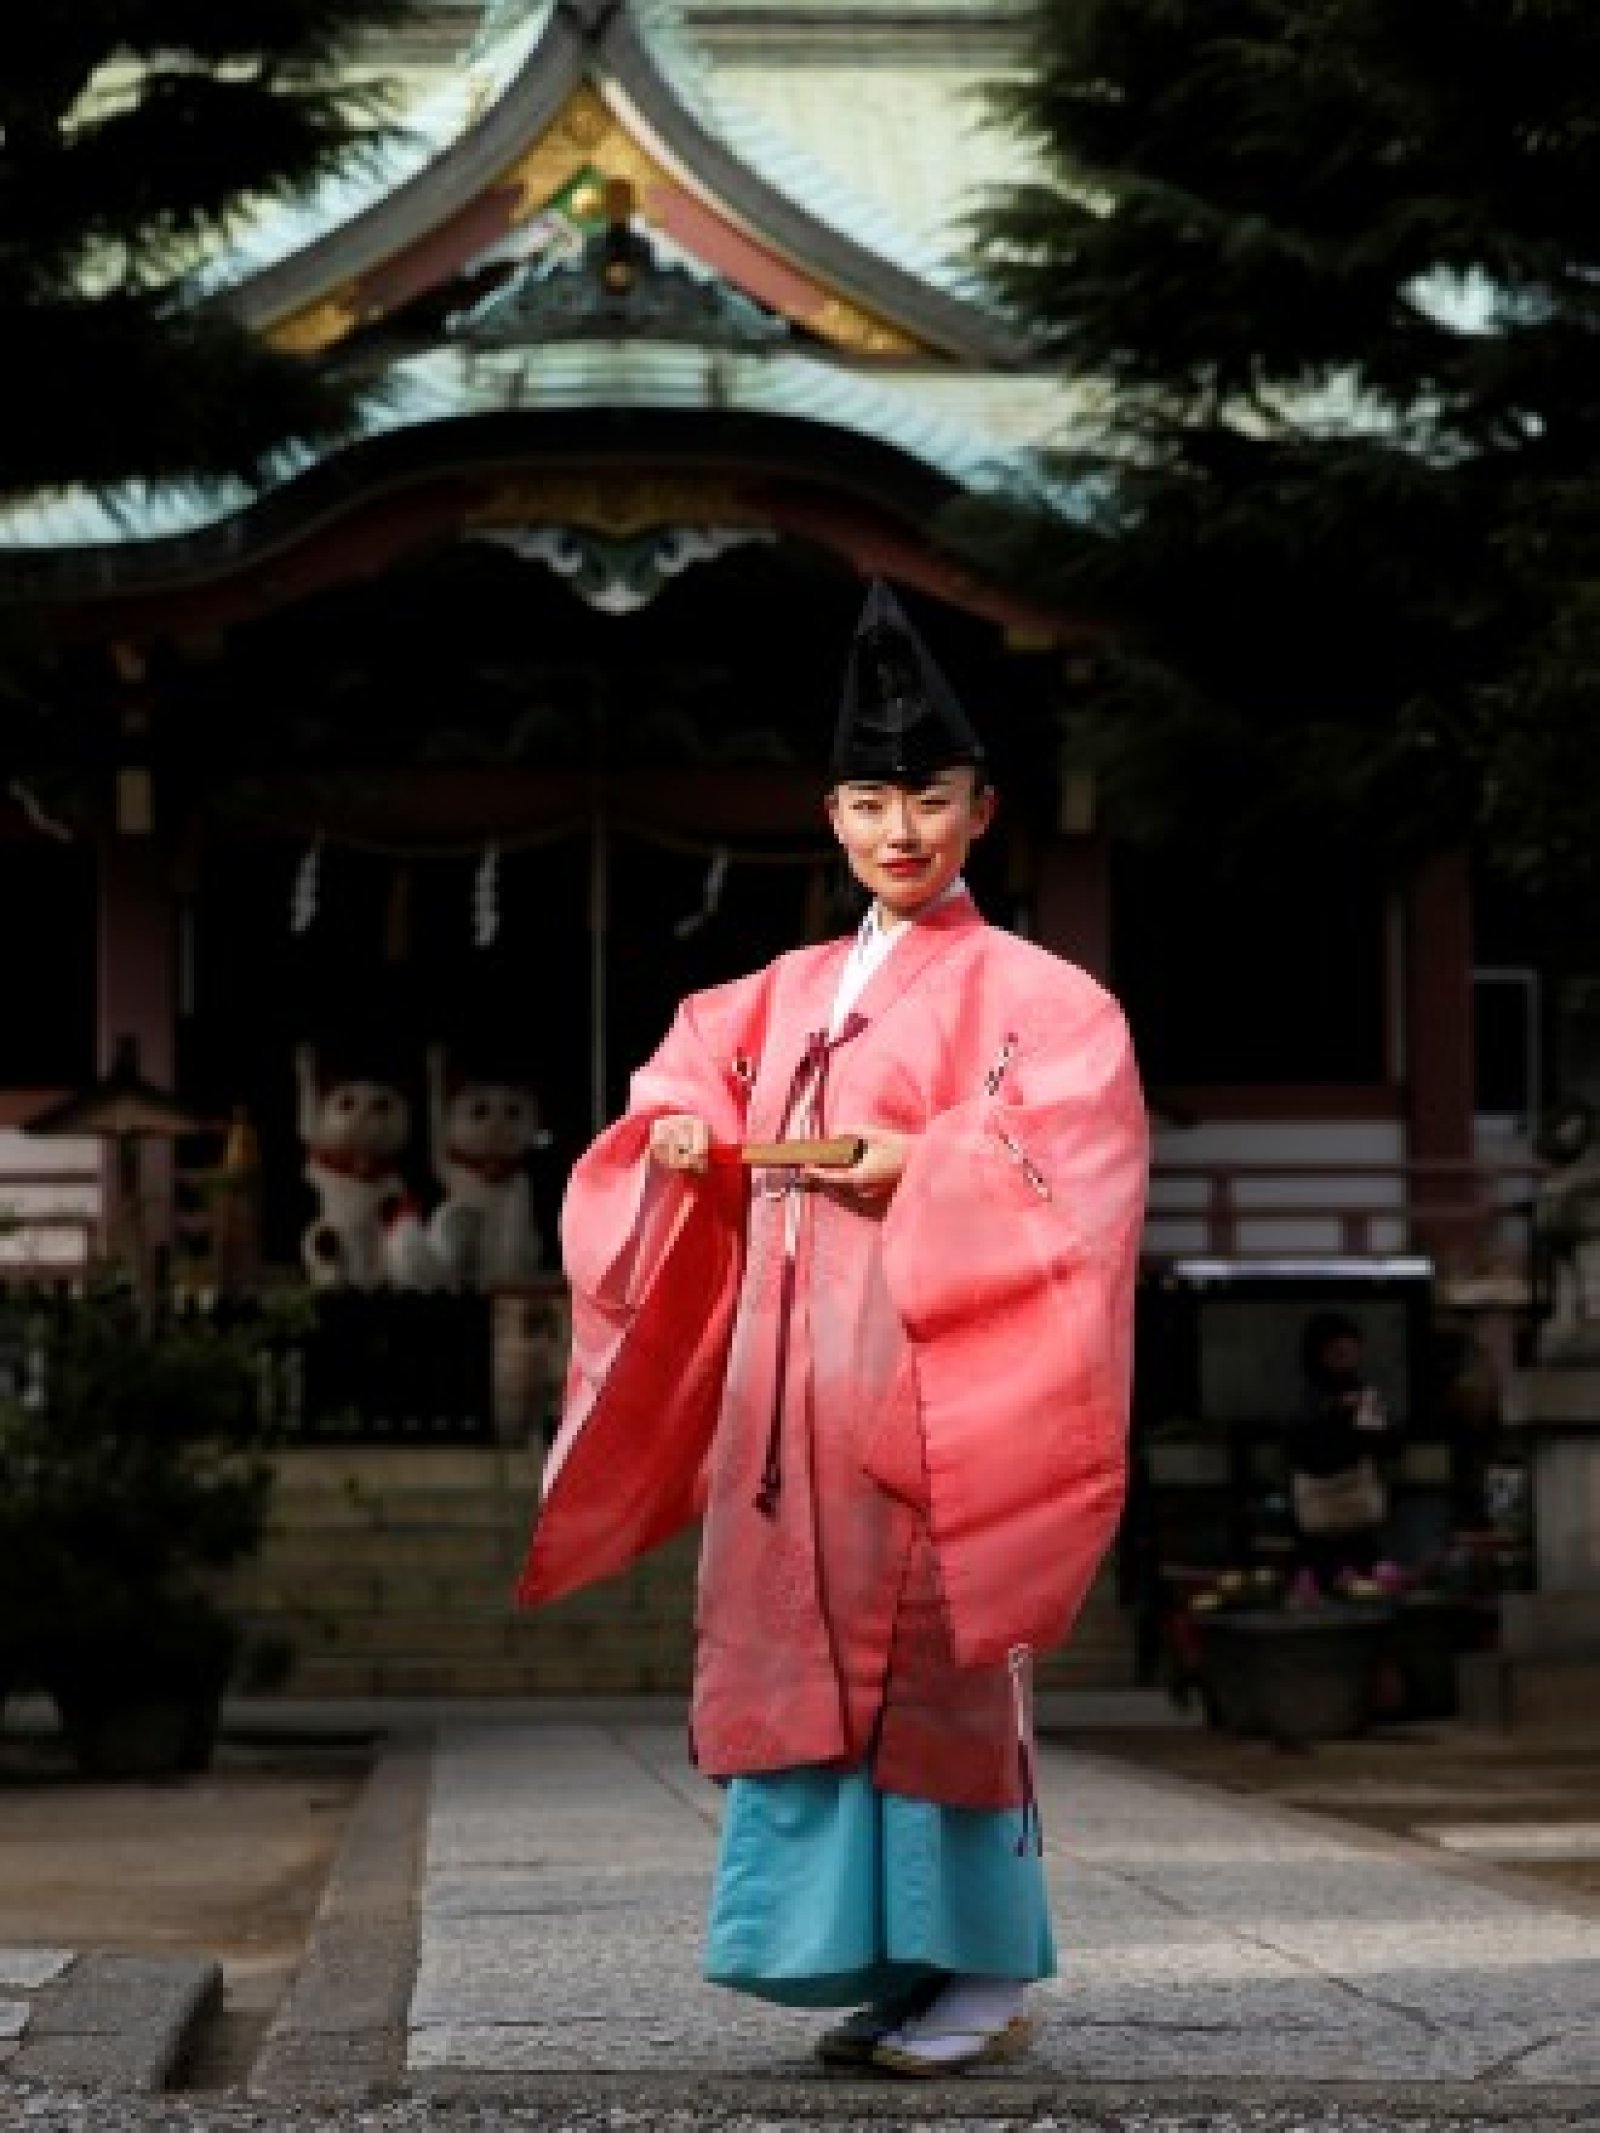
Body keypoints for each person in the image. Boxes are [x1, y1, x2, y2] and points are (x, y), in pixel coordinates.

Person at [517, 581, 1148, 2075]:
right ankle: (882, 1963)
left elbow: (1078, 1167)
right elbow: (681, 1081)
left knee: (938, 1669)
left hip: (930, 1388)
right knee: (800, 1662)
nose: (900, 831)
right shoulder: (780, 991)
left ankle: (980, 1969)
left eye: (929, 801)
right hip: (786, 1398)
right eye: (871, 803)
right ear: (834, 817)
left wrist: (925, 1162)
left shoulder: (1045, 999)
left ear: (982, 812)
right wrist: (673, 1137)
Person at [1285, 1310, 1400, 1585]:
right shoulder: (1307, 1400)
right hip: (1318, 1512)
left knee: (1369, 1574)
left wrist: (1375, 1428)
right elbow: (1305, 1448)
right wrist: (1335, 1413)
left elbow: (1384, 1445)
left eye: (1352, 1352)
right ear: (1321, 1355)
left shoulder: (1364, 1395)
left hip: (1359, 1510)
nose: (1348, 1360)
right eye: (1338, 1353)